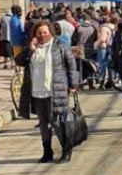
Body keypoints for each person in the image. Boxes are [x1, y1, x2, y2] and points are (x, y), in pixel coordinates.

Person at [16, 21, 78, 164]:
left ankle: (66, 150)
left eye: (45, 32)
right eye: (39, 33)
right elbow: (19, 61)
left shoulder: (60, 46)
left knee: (58, 122)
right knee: (43, 123)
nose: (42, 35)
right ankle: (47, 152)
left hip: (55, 91)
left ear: (51, 32)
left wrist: (73, 83)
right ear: (35, 35)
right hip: (37, 92)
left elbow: (71, 65)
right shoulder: (32, 48)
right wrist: (30, 49)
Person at [94, 15, 116, 86]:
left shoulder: (103, 28)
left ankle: (101, 81)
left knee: (102, 64)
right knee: (110, 65)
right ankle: (112, 80)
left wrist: (95, 45)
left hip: (103, 47)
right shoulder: (114, 27)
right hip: (112, 47)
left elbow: (102, 39)